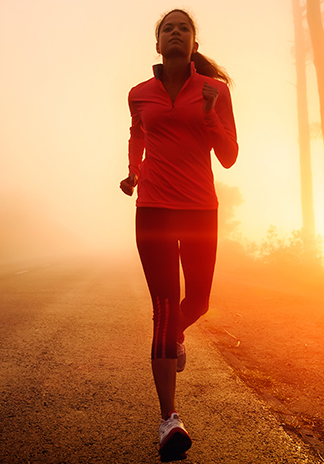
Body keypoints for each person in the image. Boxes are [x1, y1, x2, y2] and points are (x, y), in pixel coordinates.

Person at [119, 8, 238, 459]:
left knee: (199, 302)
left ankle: (174, 339)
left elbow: (229, 156)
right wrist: (133, 173)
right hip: (152, 209)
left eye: (182, 28)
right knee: (165, 311)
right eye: (167, 28)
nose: (175, 33)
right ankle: (169, 420)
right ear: (157, 44)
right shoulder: (138, 94)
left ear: (193, 43)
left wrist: (209, 117)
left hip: (200, 209)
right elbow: (136, 136)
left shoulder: (215, 91)